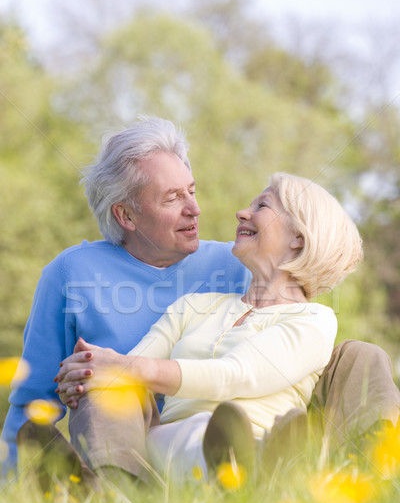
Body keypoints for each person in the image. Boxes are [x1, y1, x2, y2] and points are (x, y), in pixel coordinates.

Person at [53, 172, 364, 484]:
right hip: (165, 446)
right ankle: (100, 487)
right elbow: (133, 372)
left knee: (205, 428)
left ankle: (247, 468)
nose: (243, 213)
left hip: (255, 442)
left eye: (262, 207)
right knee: (107, 380)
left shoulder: (313, 320)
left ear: (299, 236)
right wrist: (90, 371)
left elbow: (235, 374)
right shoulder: (195, 306)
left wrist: (123, 366)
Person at [1, 117, 250, 475]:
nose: (194, 209)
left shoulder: (237, 265)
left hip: (211, 438)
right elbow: (31, 403)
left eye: (191, 191)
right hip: (123, 443)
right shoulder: (70, 274)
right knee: (101, 382)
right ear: (126, 215)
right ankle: (117, 497)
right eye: (172, 198)